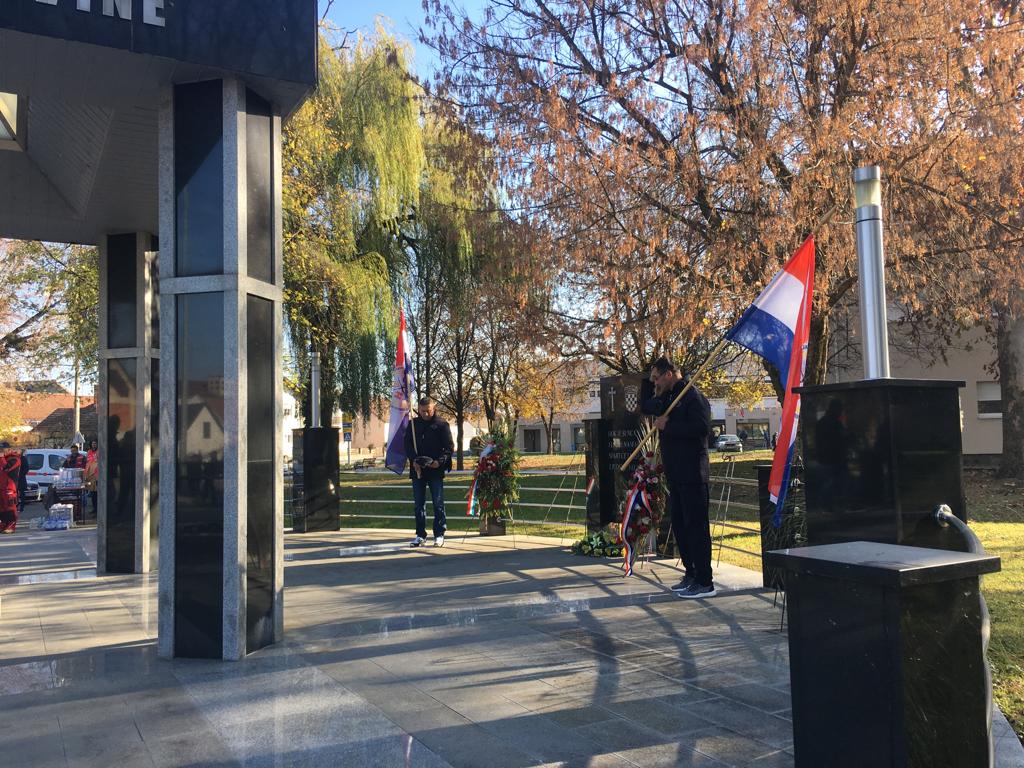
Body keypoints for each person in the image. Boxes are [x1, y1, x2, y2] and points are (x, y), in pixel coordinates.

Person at [643, 357, 715, 598]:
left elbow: (702, 428)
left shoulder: (693, 396)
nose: (654, 382)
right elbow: (646, 406)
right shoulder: (668, 396)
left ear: (669, 374)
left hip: (693, 472)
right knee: (681, 527)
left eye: (656, 377)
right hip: (675, 473)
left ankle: (705, 581)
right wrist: (654, 389)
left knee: (696, 527)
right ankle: (691, 573)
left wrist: (668, 427)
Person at [403, 396, 454, 547]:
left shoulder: (442, 424)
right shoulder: (412, 425)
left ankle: (439, 534)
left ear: (434, 408)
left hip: (435, 469)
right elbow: (407, 445)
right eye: (422, 411)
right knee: (419, 504)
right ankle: (420, 535)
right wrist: (414, 460)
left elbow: (449, 448)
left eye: (428, 411)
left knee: (438, 503)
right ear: (418, 409)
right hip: (417, 470)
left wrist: (439, 462)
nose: (425, 414)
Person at [0, 442, 21, 534]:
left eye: (2, 449)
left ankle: (11, 525)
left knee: (10, 506)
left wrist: (1, 458)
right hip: (1, 486)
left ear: (8, 449)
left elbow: (6, 468)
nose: (1, 451)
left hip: (10, 487)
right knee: (2, 507)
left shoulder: (14, 459)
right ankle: (3, 524)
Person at [85, 440, 99, 517]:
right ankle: (94, 508)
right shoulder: (89, 452)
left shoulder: (99, 452)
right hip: (90, 476)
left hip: (97, 475)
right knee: (92, 494)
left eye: (95, 443)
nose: (94, 445)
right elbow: (87, 463)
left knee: (97, 494)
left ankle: (98, 510)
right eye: (93, 443)